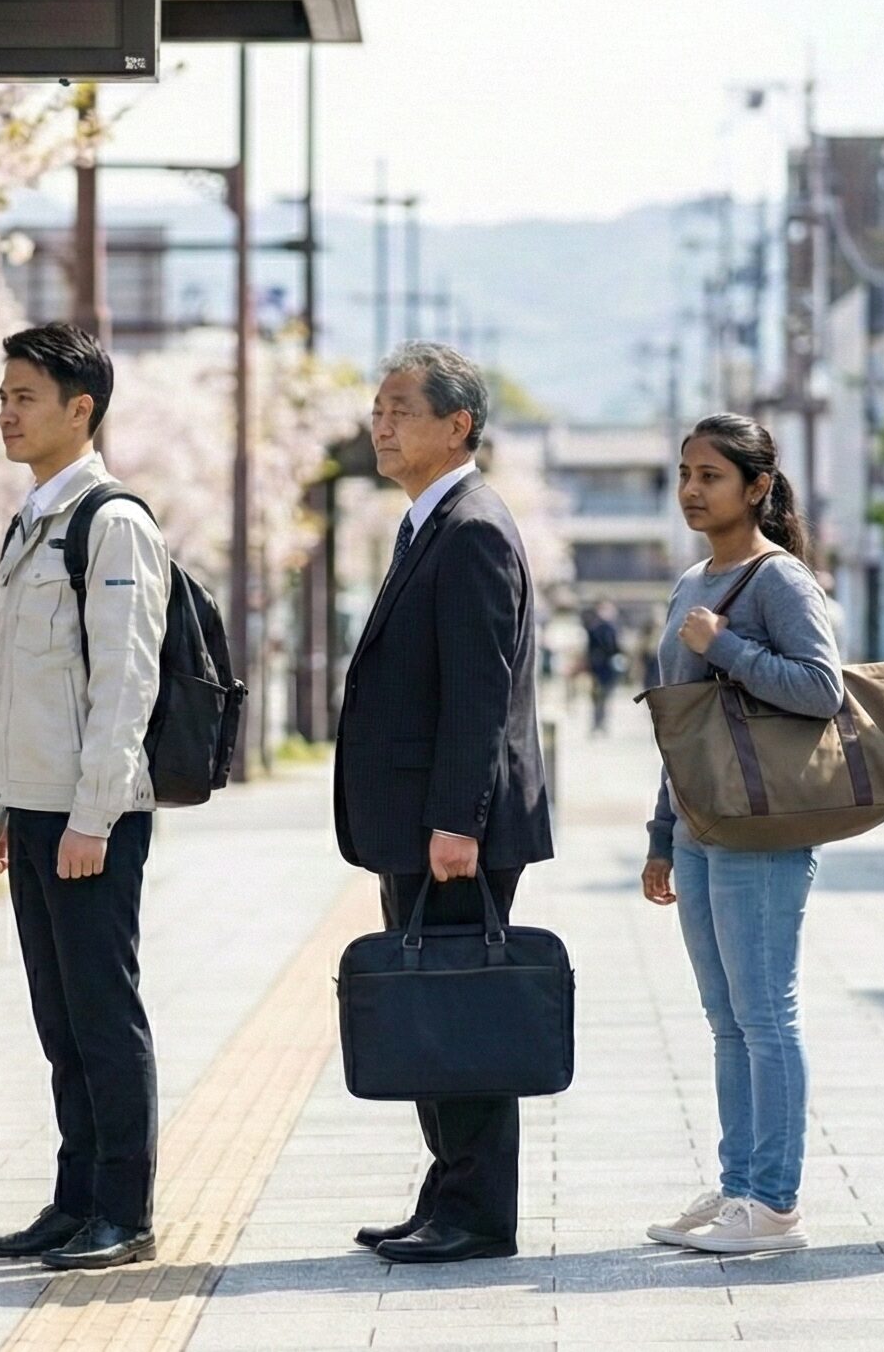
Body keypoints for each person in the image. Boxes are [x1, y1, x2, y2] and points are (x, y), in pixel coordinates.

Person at [335, 342, 553, 1265]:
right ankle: (449, 1192)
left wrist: (456, 822)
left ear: (456, 425)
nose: (380, 425)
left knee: (461, 1010)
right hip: (426, 820)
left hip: (453, 826)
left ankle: (476, 1211)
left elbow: (478, 691)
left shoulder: (470, 528)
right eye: (377, 409)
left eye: (399, 410)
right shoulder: (433, 521)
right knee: (437, 1005)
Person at [0, 323, 171, 1273]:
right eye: (3, 396)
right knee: (58, 1014)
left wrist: (93, 815)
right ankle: (74, 1198)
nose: (6, 413)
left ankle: (122, 1210)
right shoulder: (31, 522)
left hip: (91, 817)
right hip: (37, 806)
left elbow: (125, 682)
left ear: (79, 409)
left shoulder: (111, 522)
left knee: (100, 1007)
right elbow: (18, 682)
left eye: (25, 398)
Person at [638, 414, 844, 1255]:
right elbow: (679, 726)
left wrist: (727, 649)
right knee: (727, 1019)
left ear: (756, 487)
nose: (692, 490)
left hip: (762, 827)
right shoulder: (693, 582)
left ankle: (775, 1203)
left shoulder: (778, 581)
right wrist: (660, 835)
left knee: (765, 1016)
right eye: (685, 474)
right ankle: (739, 1186)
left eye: (711, 476)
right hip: (698, 824)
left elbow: (824, 689)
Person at [584, 601, 625, 735]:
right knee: (598, 697)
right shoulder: (596, 628)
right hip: (598, 667)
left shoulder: (613, 628)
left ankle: (601, 722)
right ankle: (597, 722)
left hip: (608, 668)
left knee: (606, 697)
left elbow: (616, 648)